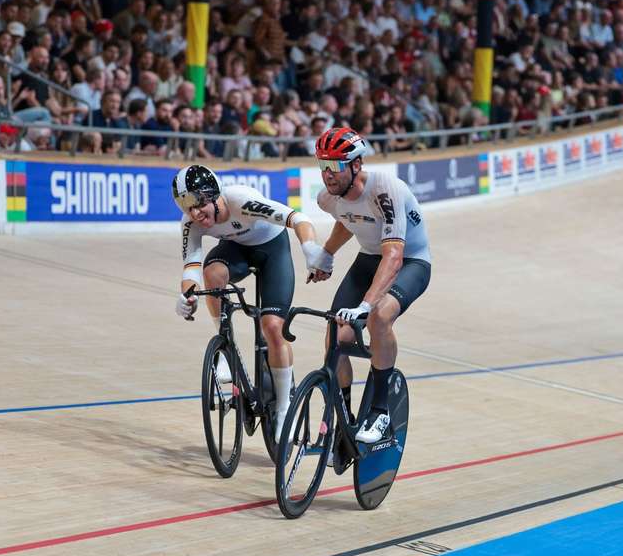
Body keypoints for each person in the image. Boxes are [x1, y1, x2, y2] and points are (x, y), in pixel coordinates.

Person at [173, 165, 331, 439]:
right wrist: (187, 295)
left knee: (272, 328)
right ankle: (224, 347)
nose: (195, 214)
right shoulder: (190, 223)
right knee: (212, 275)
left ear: (213, 194)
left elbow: (299, 218)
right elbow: (191, 266)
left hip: (272, 251)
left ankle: (284, 408)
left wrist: (310, 250)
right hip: (237, 251)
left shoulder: (241, 201)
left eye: (198, 204)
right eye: (188, 208)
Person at [311, 127, 431, 443]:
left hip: (411, 261)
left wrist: (366, 305)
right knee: (337, 334)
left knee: (379, 317)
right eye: (323, 166)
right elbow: (347, 219)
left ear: (356, 165)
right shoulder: (328, 198)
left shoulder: (385, 188)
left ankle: (380, 411)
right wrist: (326, 252)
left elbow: (394, 254)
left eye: (335, 167)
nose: (328, 175)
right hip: (368, 260)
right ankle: (344, 421)